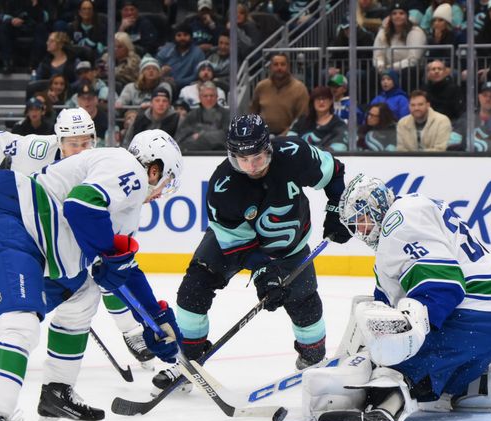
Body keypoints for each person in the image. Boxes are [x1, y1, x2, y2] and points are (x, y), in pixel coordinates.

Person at [0, 128, 185, 421]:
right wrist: (110, 254)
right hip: (13, 222)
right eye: (167, 181)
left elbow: (123, 268)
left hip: (40, 241)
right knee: (19, 326)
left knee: (83, 293)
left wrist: (155, 319)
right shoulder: (128, 168)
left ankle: (56, 394)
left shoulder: (127, 206)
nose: (161, 193)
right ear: (154, 168)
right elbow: (81, 205)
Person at [302, 174, 491, 421]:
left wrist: (401, 349)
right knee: (444, 388)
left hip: (475, 319)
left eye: (362, 219)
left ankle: (382, 412)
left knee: (398, 366)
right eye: (355, 225)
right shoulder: (415, 206)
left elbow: (444, 287)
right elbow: (387, 303)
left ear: (377, 206)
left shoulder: (397, 223)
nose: (361, 230)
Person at [0, 108, 154, 372]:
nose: (80, 149)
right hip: (28, 226)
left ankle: (131, 332)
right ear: (58, 141)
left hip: (68, 232)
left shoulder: (102, 163)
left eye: (86, 142)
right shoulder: (35, 148)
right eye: (73, 144)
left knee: (108, 273)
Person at [151, 114, 352, 393]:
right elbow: (240, 246)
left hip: (290, 245)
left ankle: (313, 359)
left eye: (257, 157)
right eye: (242, 160)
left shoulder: (295, 154)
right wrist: (263, 273)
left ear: (268, 147)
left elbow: (335, 173)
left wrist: (336, 210)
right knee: (194, 287)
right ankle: (187, 360)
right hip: (234, 241)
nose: (251, 166)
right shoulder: (223, 186)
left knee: (304, 301)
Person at [372, 1, 427, 92]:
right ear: (390, 17)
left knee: (408, 72)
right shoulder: (383, 31)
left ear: (407, 16)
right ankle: (375, 102)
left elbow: (413, 60)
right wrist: (381, 66)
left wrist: (391, 67)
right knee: (372, 72)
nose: (397, 16)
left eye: (401, 13)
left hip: (408, 69)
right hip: (387, 68)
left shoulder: (416, 32)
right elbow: (377, 55)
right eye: (394, 13)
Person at [250, 52, 310, 136]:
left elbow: (302, 118)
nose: (279, 68)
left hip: (289, 136)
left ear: (288, 67)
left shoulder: (300, 88)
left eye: (282, 64)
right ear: (270, 67)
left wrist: (283, 136)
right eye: (276, 64)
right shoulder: (261, 86)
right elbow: (253, 112)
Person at [288, 85, 349, 152]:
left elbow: (341, 147)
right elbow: (289, 140)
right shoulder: (302, 121)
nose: (321, 102)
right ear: (312, 102)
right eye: (318, 99)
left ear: (331, 101)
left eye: (324, 98)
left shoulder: (339, 124)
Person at [0, 0, 50, 74]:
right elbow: (2, 15)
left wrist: (35, 5)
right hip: (15, 26)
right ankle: (8, 63)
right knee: (4, 28)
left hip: (34, 26)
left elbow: (45, 18)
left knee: (41, 28)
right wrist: (12, 20)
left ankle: (34, 65)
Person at [174, 81, 230, 152]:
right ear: (200, 97)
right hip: (193, 155)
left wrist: (201, 134)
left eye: (211, 95)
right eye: (205, 96)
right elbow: (180, 137)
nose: (209, 98)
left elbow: (226, 136)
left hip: (219, 154)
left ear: (217, 97)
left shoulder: (226, 113)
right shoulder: (192, 115)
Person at [156, 23, 206, 93]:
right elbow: (156, 64)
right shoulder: (167, 49)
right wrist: (162, 70)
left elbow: (197, 75)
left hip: (188, 87)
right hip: (165, 86)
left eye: (185, 35)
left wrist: (176, 82)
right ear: (174, 37)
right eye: (179, 35)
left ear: (191, 37)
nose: (182, 38)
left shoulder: (198, 53)